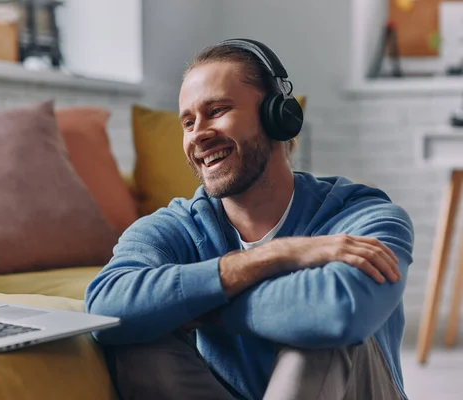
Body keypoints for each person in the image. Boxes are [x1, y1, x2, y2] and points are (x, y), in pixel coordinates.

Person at [85, 38, 414, 400]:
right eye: (188, 122)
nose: (198, 134)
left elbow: (339, 311)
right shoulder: (181, 225)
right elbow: (105, 305)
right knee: (138, 344)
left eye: (217, 111)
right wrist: (272, 256)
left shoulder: (361, 215)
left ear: (277, 116)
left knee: (318, 335)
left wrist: (201, 306)